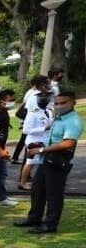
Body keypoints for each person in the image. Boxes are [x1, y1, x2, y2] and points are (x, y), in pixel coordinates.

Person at [14, 91, 82, 234]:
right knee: (37, 189)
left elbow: (68, 143)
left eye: (63, 103)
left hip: (58, 160)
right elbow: (52, 137)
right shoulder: (59, 118)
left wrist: (41, 150)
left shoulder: (73, 121)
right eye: (56, 103)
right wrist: (40, 146)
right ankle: (34, 218)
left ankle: (50, 225)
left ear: (73, 103)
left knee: (54, 194)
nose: (59, 106)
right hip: (48, 158)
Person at [11, 75, 53, 165]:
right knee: (29, 147)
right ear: (42, 85)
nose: (50, 85)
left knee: (26, 144)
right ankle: (24, 173)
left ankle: (20, 162)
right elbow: (30, 110)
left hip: (35, 123)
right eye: (48, 83)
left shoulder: (38, 94)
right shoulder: (34, 95)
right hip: (33, 123)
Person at [18, 92, 53, 191]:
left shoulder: (48, 112)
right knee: (30, 162)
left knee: (43, 162)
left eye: (46, 97)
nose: (45, 100)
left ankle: (42, 182)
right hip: (34, 141)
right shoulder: (32, 114)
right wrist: (44, 128)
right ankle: (23, 183)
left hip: (44, 141)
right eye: (42, 98)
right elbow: (26, 130)